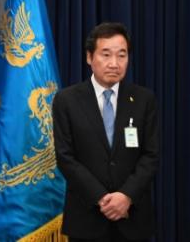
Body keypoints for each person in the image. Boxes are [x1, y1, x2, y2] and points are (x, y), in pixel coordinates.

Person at [52, 22, 159, 241]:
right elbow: (65, 157)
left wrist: (126, 196)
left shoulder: (144, 99)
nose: (114, 63)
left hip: (133, 218)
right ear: (89, 57)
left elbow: (151, 156)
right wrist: (102, 199)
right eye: (106, 54)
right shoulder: (67, 100)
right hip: (86, 218)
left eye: (122, 55)